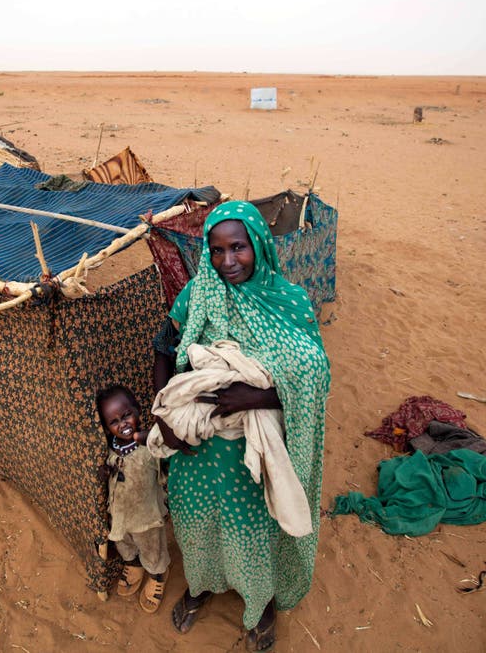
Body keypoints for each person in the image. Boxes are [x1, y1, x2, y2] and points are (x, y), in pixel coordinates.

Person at [151, 200, 330, 652]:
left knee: (250, 529)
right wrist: (165, 418)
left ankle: (260, 604)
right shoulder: (199, 292)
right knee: (194, 520)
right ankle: (201, 586)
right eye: (216, 249)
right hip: (197, 442)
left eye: (238, 248)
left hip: (249, 450)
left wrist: (257, 396)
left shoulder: (288, 300)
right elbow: (162, 346)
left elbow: (315, 375)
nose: (227, 261)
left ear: (259, 246)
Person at [95, 384, 170, 613]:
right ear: (107, 428)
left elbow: (166, 472)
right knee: (123, 542)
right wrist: (105, 472)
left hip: (146, 516)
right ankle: (133, 564)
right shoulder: (108, 449)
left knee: (151, 546)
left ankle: (158, 575)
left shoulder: (149, 447)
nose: (123, 424)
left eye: (127, 415)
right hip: (120, 515)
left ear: (137, 411)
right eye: (114, 421)